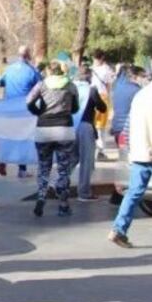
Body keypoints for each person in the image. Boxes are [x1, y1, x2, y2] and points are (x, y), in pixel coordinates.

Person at [108, 77, 152, 247]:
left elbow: (128, 127)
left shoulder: (140, 95)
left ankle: (118, 230)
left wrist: (130, 149)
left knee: (134, 192)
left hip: (140, 152)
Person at [26, 61, 80, 217]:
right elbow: (75, 108)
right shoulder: (70, 86)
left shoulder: (41, 85)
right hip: (64, 129)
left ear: (49, 71)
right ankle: (63, 205)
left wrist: (38, 112)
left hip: (43, 129)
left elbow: (28, 101)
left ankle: (41, 196)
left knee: (44, 167)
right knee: (63, 169)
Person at [0, 45, 41, 178]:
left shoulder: (9, 69)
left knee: (8, 135)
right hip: (24, 109)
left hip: (9, 107)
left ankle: (3, 160)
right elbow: (40, 86)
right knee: (23, 138)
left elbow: (1, 83)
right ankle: (22, 169)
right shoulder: (31, 70)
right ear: (28, 55)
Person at [74, 64, 108, 202]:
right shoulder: (91, 90)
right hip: (86, 126)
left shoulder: (72, 88)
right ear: (88, 76)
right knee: (86, 161)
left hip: (72, 126)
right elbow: (102, 107)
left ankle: (58, 182)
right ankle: (84, 192)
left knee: (72, 157)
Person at [110, 65, 145, 154]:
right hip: (129, 130)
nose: (145, 79)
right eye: (143, 76)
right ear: (134, 76)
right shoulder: (137, 91)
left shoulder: (117, 87)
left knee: (124, 158)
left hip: (117, 128)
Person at [90, 50, 115, 158]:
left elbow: (109, 85)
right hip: (94, 97)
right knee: (93, 124)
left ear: (101, 58)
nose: (95, 61)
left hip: (102, 97)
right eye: (94, 59)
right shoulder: (92, 68)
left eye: (96, 59)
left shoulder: (106, 69)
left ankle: (100, 149)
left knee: (101, 126)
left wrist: (109, 99)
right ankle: (95, 148)